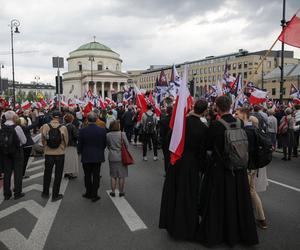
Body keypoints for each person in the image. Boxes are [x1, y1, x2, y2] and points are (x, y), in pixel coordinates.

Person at [198, 96, 258, 247]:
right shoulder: (240, 123)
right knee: (238, 202)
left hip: (221, 171)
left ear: (217, 107)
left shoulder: (216, 125)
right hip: (239, 170)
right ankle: (241, 233)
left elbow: (207, 147)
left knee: (220, 204)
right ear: (231, 106)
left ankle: (218, 234)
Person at [159, 99, 208, 240]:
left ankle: (171, 223)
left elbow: (169, 142)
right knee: (189, 195)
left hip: (177, 162)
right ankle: (187, 227)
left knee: (174, 193)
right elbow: (203, 151)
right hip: (192, 165)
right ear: (204, 111)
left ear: (193, 107)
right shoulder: (203, 128)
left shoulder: (181, 124)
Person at [236, 107, 267, 230]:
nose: (236, 115)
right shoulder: (254, 129)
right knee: (251, 191)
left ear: (244, 115)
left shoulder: (247, 131)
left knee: (250, 191)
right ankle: (256, 218)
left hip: (248, 166)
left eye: (237, 114)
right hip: (253, 165)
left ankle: (260, 219)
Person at [40, 110, 69, 202]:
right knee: (58, 174)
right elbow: (66, 141)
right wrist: (62, 148)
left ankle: (45, 193)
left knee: (47, 173)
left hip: (48, 154)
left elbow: (43, 139)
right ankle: (55, 195)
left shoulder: (45, 126)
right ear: (60, 117)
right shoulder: (63, 127)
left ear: (52, 117)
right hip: (59, 154)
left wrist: (46, 148)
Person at [78, 112, 106, 202]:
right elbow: (104, 144)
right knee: (96, 175)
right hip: (98, 155)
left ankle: (88, 192)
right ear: (96, 119)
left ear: (88, 119)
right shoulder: (102, 130)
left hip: (86, 155)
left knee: (87, 175)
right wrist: (100, 150)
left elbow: (80, 144)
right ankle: (94, 194)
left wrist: (80, 152)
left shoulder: (82, 130)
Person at [0, 111, 27, 200]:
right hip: (17, 152)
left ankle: (6, 194)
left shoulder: (1, 127)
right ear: (12, 117)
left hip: (5, 152)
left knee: (7, 173)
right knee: (18, 172)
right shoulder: (17, 127)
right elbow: (24, 141)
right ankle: (17, 193)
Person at [106, 120, 130, 197]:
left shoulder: (108, 135)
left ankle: (113, 192)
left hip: (112, 156)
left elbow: (108, 145)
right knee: (121, 176)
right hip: (121, 157)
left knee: (113, 176)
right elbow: (127, 145)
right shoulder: (122, 134)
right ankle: (121, 192)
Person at [63, 113, 79, 179]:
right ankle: (70, 173)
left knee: (66, 159)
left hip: (64, 144)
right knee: (71, 159)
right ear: (71, 119)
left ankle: (66, 172)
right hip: (72, 144)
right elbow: (75, 136)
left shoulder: (63, 126)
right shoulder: (72, 126)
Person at [159, 106, 173, 174]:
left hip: (165, 141)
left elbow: (161, 133)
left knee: (166, 157)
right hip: (173, 141)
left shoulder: (163, 120)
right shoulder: (175, 120)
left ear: (166, 111)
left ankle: (166, 171)